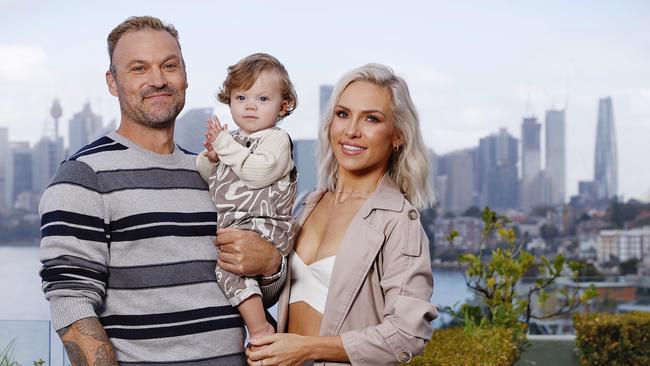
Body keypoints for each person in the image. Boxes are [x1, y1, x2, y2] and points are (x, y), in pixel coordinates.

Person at [39, 16, 285, 365]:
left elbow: (255, 288)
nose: (158, 80)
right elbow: (71, 302)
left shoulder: (213, 173)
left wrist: (272, 264)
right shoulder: (83, 176)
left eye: (169, 66)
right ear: (112, 82)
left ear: (185, 76)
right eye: (139, 68)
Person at [246, 63, 439, 366]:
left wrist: (307, 349)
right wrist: (268, 266)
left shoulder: (399, 221)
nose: (351, 130)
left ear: (398, 135)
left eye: (371, 119)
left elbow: (407, 335)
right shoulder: (305, 205)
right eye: (343, 114)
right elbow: (274, 294)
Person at [195, 53, 298, 340]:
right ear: (229, 100)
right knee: (230, 273)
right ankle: (258, 322)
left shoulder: (276, 139)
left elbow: (259, 172)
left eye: (263, 99)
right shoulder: (233, 141)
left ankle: (261, 329)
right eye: (241, 98)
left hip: (265, 225)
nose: (250, 106)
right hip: (240, 225)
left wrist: (224, 145)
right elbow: (205, 174)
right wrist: (213, 158)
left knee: (230, 272)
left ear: (283, 106)